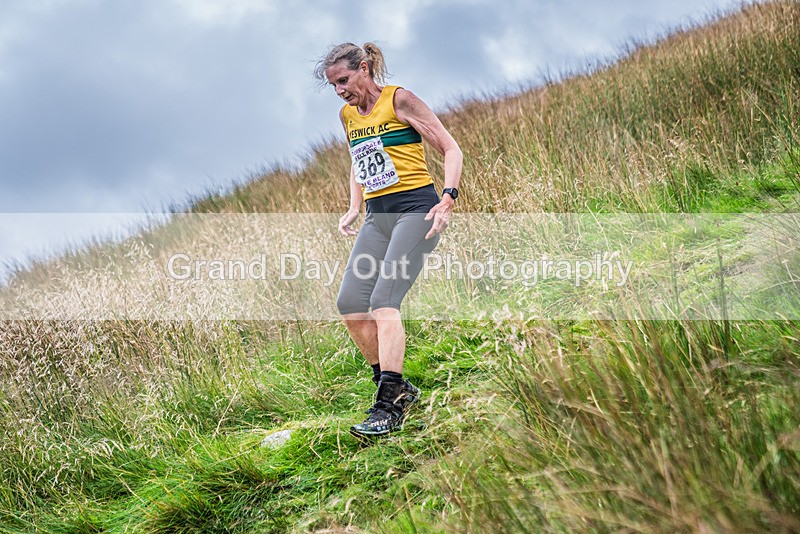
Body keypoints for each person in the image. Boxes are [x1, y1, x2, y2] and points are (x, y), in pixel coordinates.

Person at [314, 42, 463, 436]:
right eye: (333, 85)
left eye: (344, 80)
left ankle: (389, 405)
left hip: (416, 211)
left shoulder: (401, 101)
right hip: (378, 218)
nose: (340, 90)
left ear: (364, 68)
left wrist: (448, 199)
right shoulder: (347, 115)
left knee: (383, 300)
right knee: (350, 302)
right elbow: (358, 160)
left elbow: (450, 148)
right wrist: (353, 205)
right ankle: (393, 387)